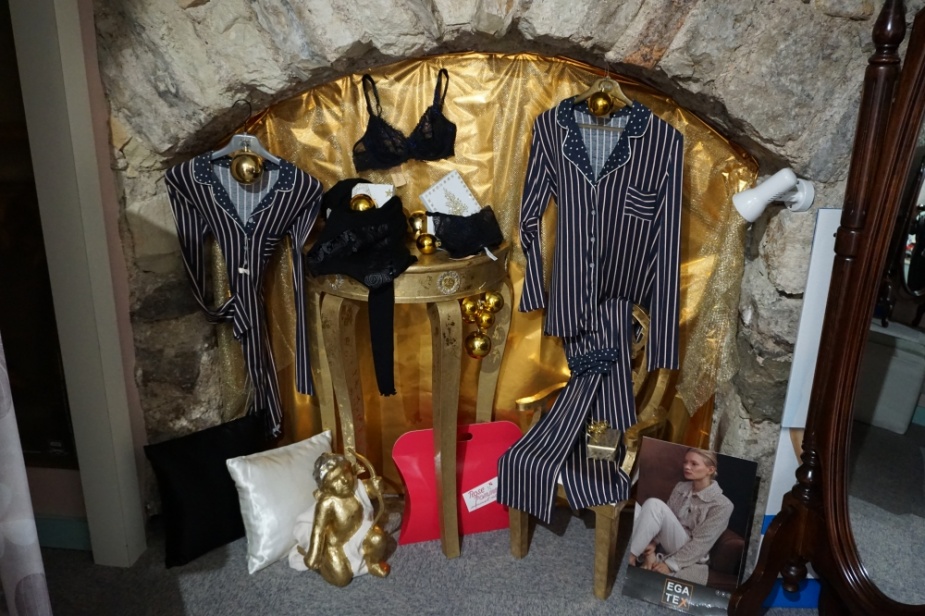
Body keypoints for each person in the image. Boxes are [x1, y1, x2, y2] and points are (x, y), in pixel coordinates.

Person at [628, 448, 733, 585]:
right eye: (685, 462)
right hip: (667, 541)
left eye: (694, 464)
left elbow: (701, 544)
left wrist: (670, 565)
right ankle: (646, 552)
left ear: (710, 470)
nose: (687, 467)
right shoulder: (681, 487)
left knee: (654, 505)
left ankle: (630, 556)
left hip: (690, 549)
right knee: (635, 507)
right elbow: (662, 521)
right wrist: (652, 545)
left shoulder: (722, 504)